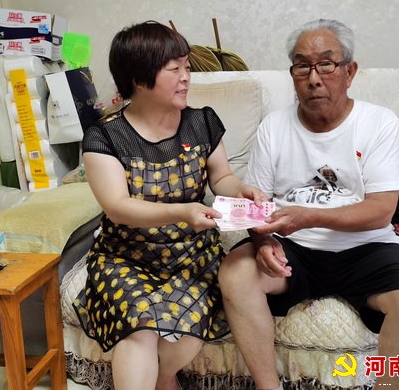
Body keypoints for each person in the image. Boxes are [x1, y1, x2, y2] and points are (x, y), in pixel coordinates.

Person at [218, 19, 399, 390]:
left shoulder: (377, 122)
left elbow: (381, 211)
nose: (313, 78)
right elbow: (257, 205)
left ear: (349, 72)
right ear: (292, 74)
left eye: (326, 64)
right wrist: (263, 240)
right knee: (234, 272)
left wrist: (307, 216)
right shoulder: (273, 127)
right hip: (293, 249)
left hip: (367, 248)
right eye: (302, 66)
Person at [73, 21, 267, 390]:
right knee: (139, 330)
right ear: (139, 78)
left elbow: (222, 178)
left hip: (192, 254)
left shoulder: (202, 122)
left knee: (188, 332)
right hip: (126, 256)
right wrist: (181, 212)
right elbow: (117, 207)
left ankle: (164, 379)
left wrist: (242, 190)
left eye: (187, 67)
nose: (186, 77)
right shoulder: (105, 136)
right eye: (174, 68)